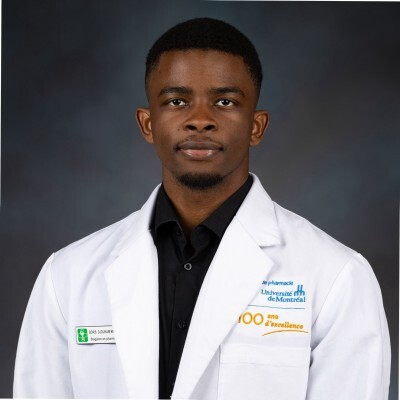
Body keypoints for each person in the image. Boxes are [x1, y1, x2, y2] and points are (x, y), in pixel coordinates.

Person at [13, 17, 390, 400]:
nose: (200, 121)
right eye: (176, 101)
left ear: (256, 127)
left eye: (225, 102)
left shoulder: (337, 277)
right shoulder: (68, 276)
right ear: (147, 123)